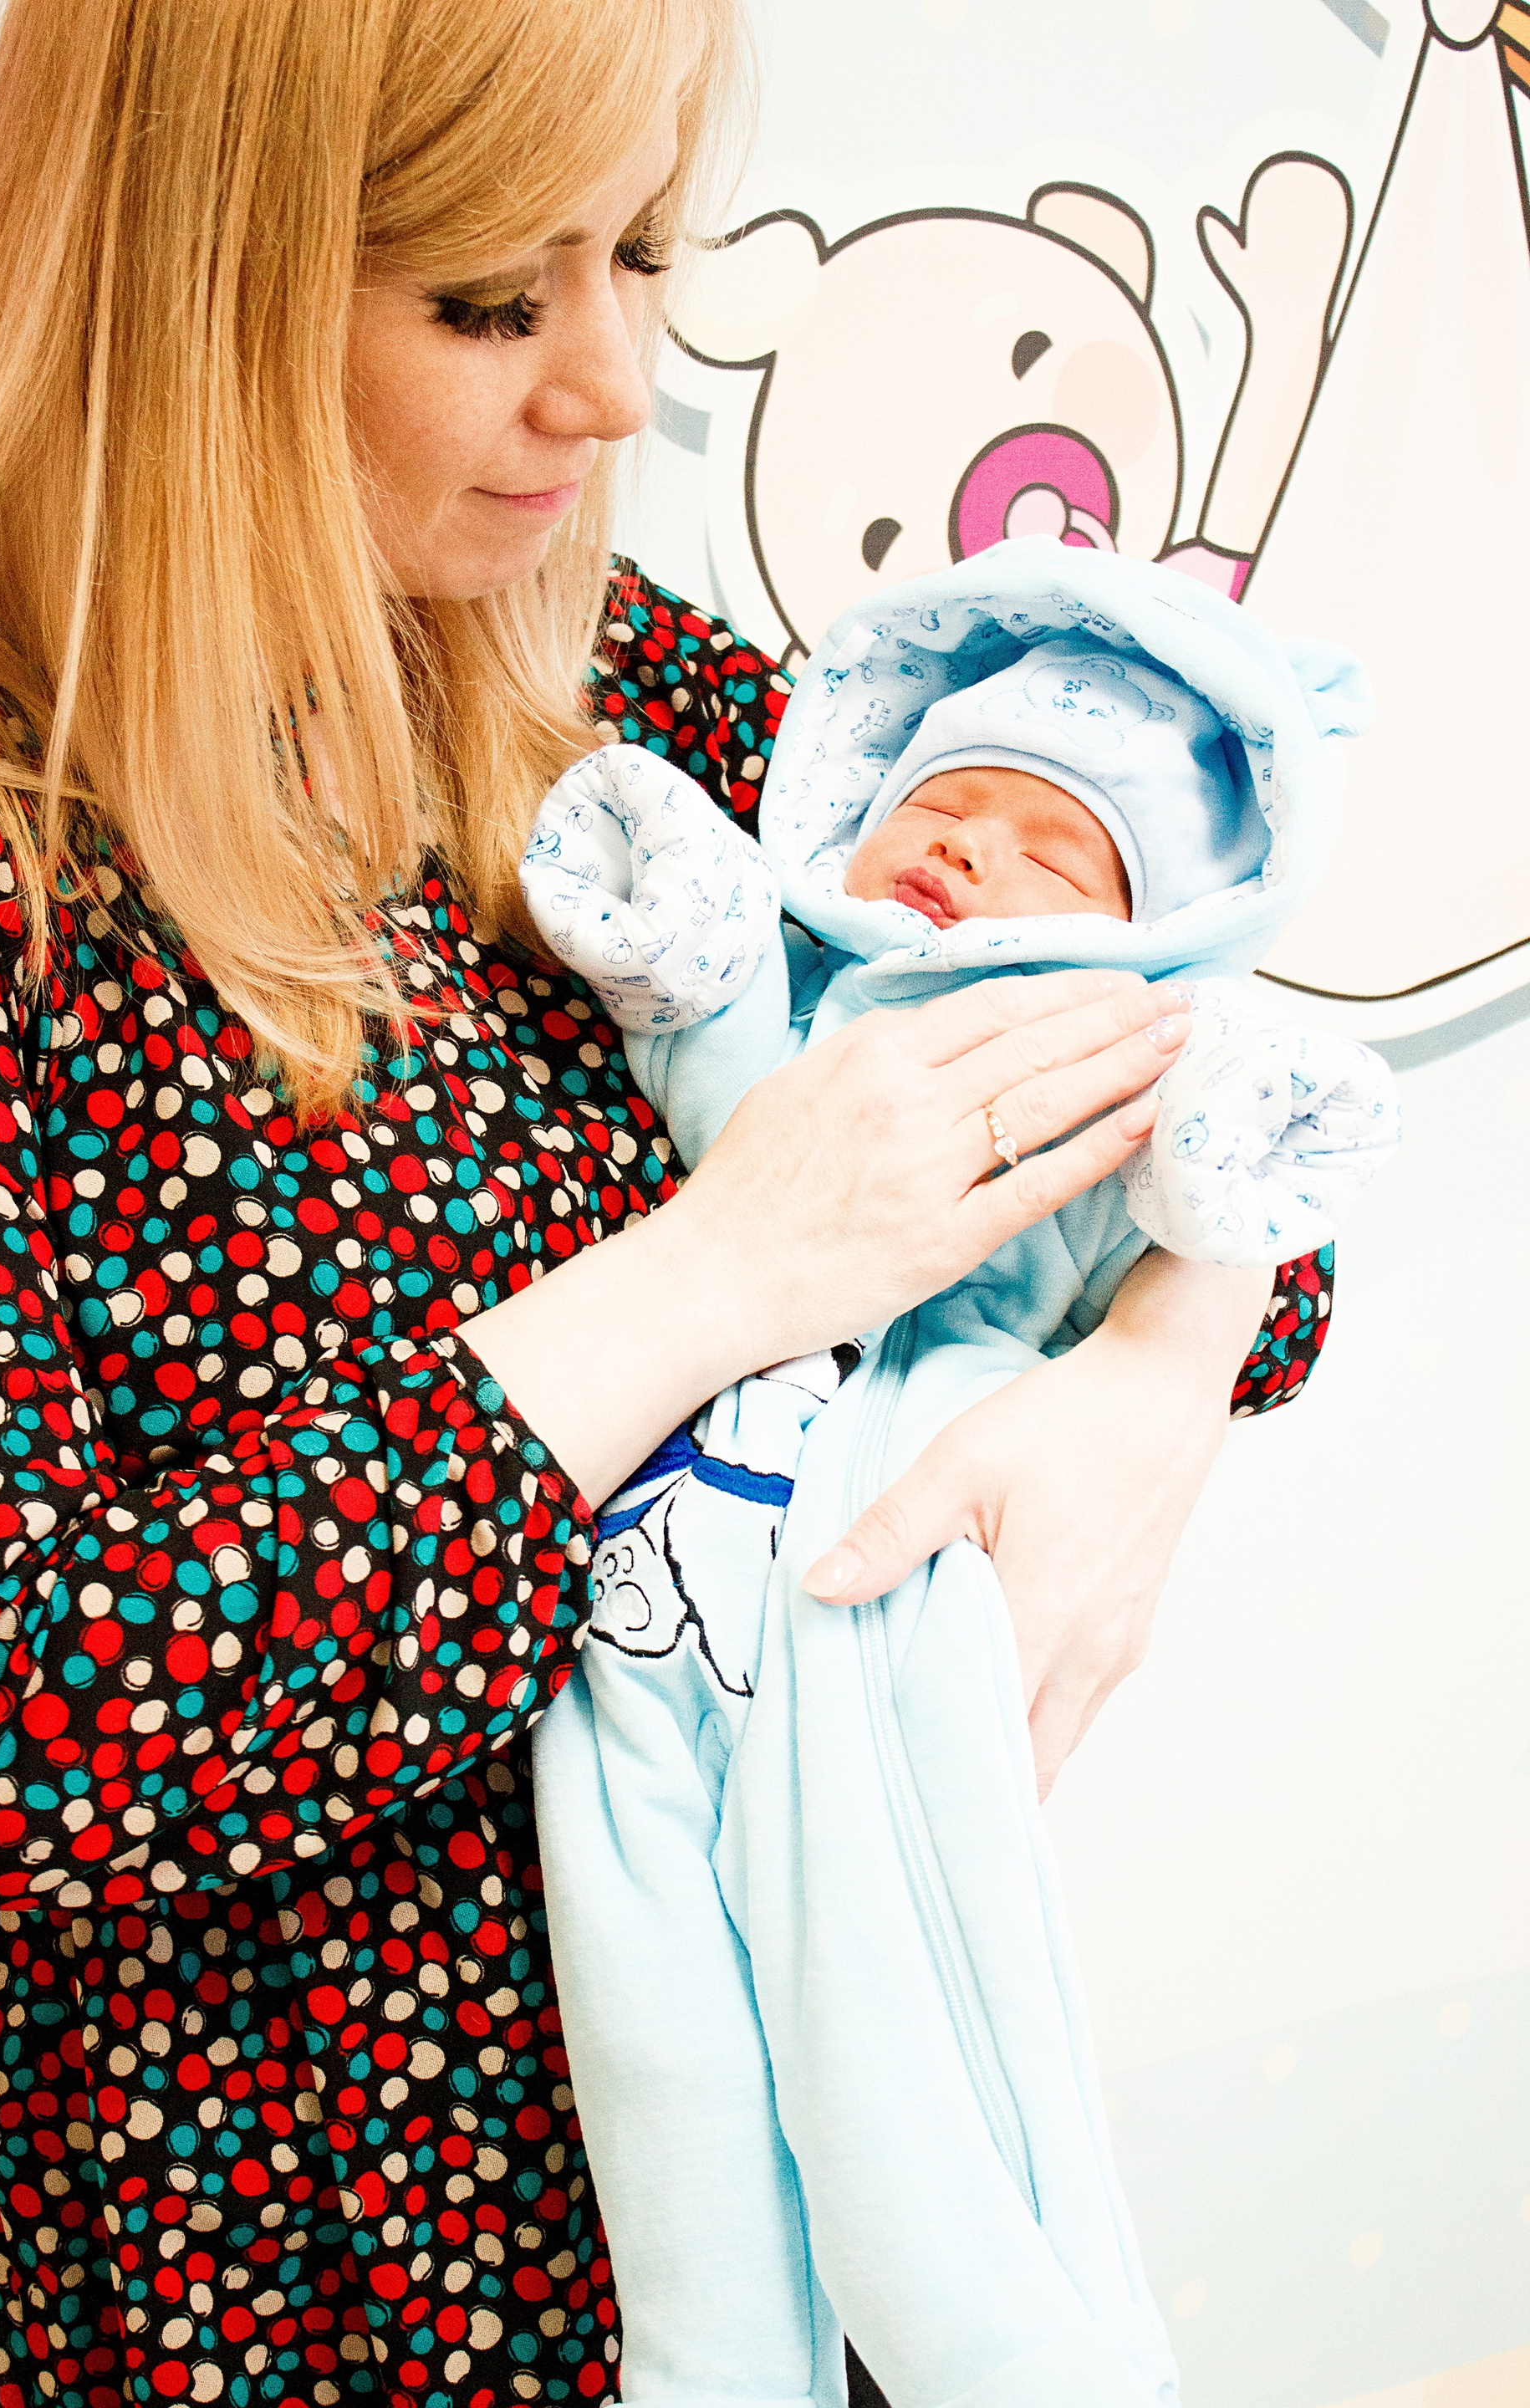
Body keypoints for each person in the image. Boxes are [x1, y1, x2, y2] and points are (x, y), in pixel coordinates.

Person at [0, 6, 1332, 2406]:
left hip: (774, 2193)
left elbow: (1192, 1105)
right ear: (195, 276)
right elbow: (15, 1733)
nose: (608, 388)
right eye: (494, 298)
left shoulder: (597, 692)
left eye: (642, 257)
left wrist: (1156, 1383)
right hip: (266, 2287)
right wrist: (724, 1273)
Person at [520, 549, 1396, 2408]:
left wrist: (1192, 1272)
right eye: (941, 803)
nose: (970, 849)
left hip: (876, 1576)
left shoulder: (1105, 1050)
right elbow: (704, 1034)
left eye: (1054, 852)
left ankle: (1022, 2359)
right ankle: (712, 2369)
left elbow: (1250, 1230)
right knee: (658, 2040)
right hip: (644, 1604)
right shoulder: (811, 994)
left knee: (908, 2021)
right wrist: (674, 923)